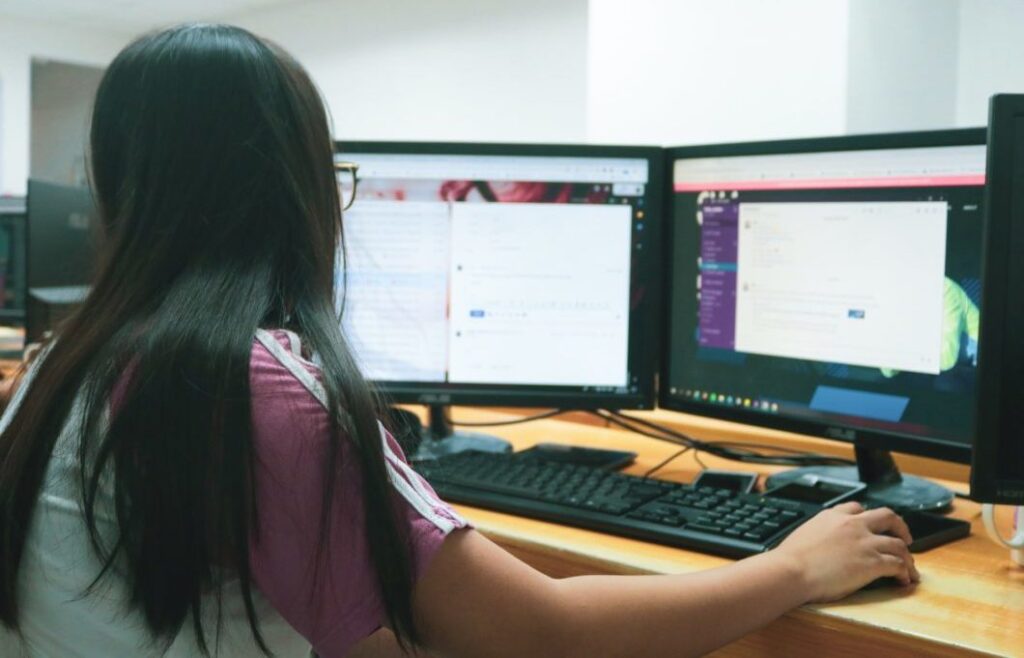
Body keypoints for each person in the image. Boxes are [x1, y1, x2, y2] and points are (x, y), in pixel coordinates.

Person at [0, 24, 918, 658]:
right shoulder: (250, 390)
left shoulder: (59, 369)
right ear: (297, 189)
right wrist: (793, 566)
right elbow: (546, 634)